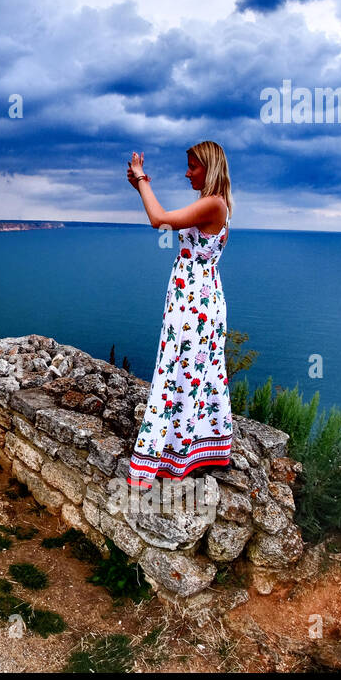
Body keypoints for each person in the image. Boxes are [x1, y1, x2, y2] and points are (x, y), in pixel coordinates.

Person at [125, 142, 235, 490]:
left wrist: (143, 179)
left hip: (194, 302)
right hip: (198, 297)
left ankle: (165, 455)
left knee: (176, 369)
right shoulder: (214, 203)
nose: (187, 173)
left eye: (192, 167)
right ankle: (189, 449)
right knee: (194, 371)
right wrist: (139, 185)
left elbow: (159, 220)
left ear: (209, 167)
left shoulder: (213, 204)